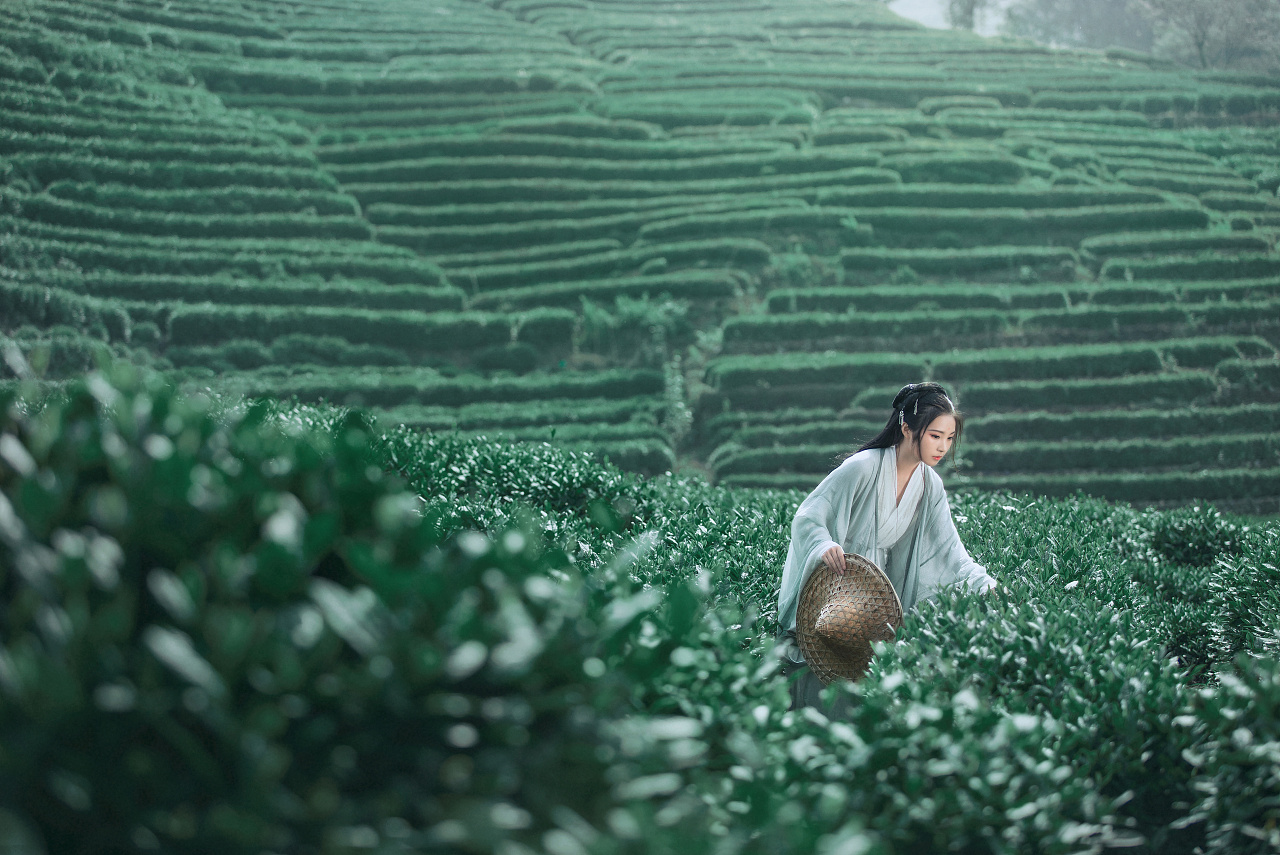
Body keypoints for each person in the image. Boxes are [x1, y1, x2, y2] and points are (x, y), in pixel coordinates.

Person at [775, 382, 999, 713]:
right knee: (824, 681)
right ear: (907, 427)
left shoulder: (930, 485)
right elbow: (809, 517)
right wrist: (823, 544)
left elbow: (952, 552)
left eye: (949, 438)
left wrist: (986, 584)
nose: (942, 447)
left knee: (861, 686)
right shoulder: (862, 467)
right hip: (835, 592)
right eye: (935, 435)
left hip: (874, 601)